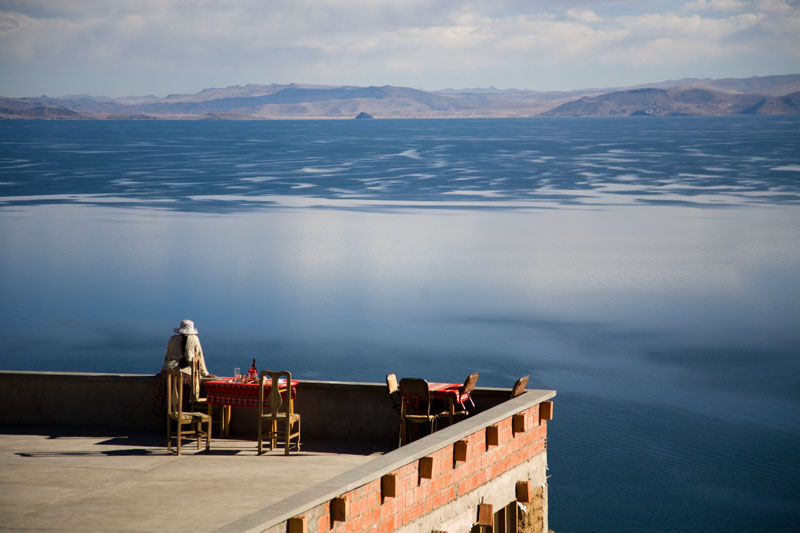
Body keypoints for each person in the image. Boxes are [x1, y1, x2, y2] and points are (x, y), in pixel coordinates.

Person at [152, 319, 216, 415]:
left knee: (166, 400)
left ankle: (168, 424)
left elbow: (167, 357)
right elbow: (200, 357)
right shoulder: (194, 339)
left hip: (167, 373)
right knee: (183, 402)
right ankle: (181, 423)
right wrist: (206, 373)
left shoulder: (172, 339)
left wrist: (162, 371)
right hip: (185, 376)